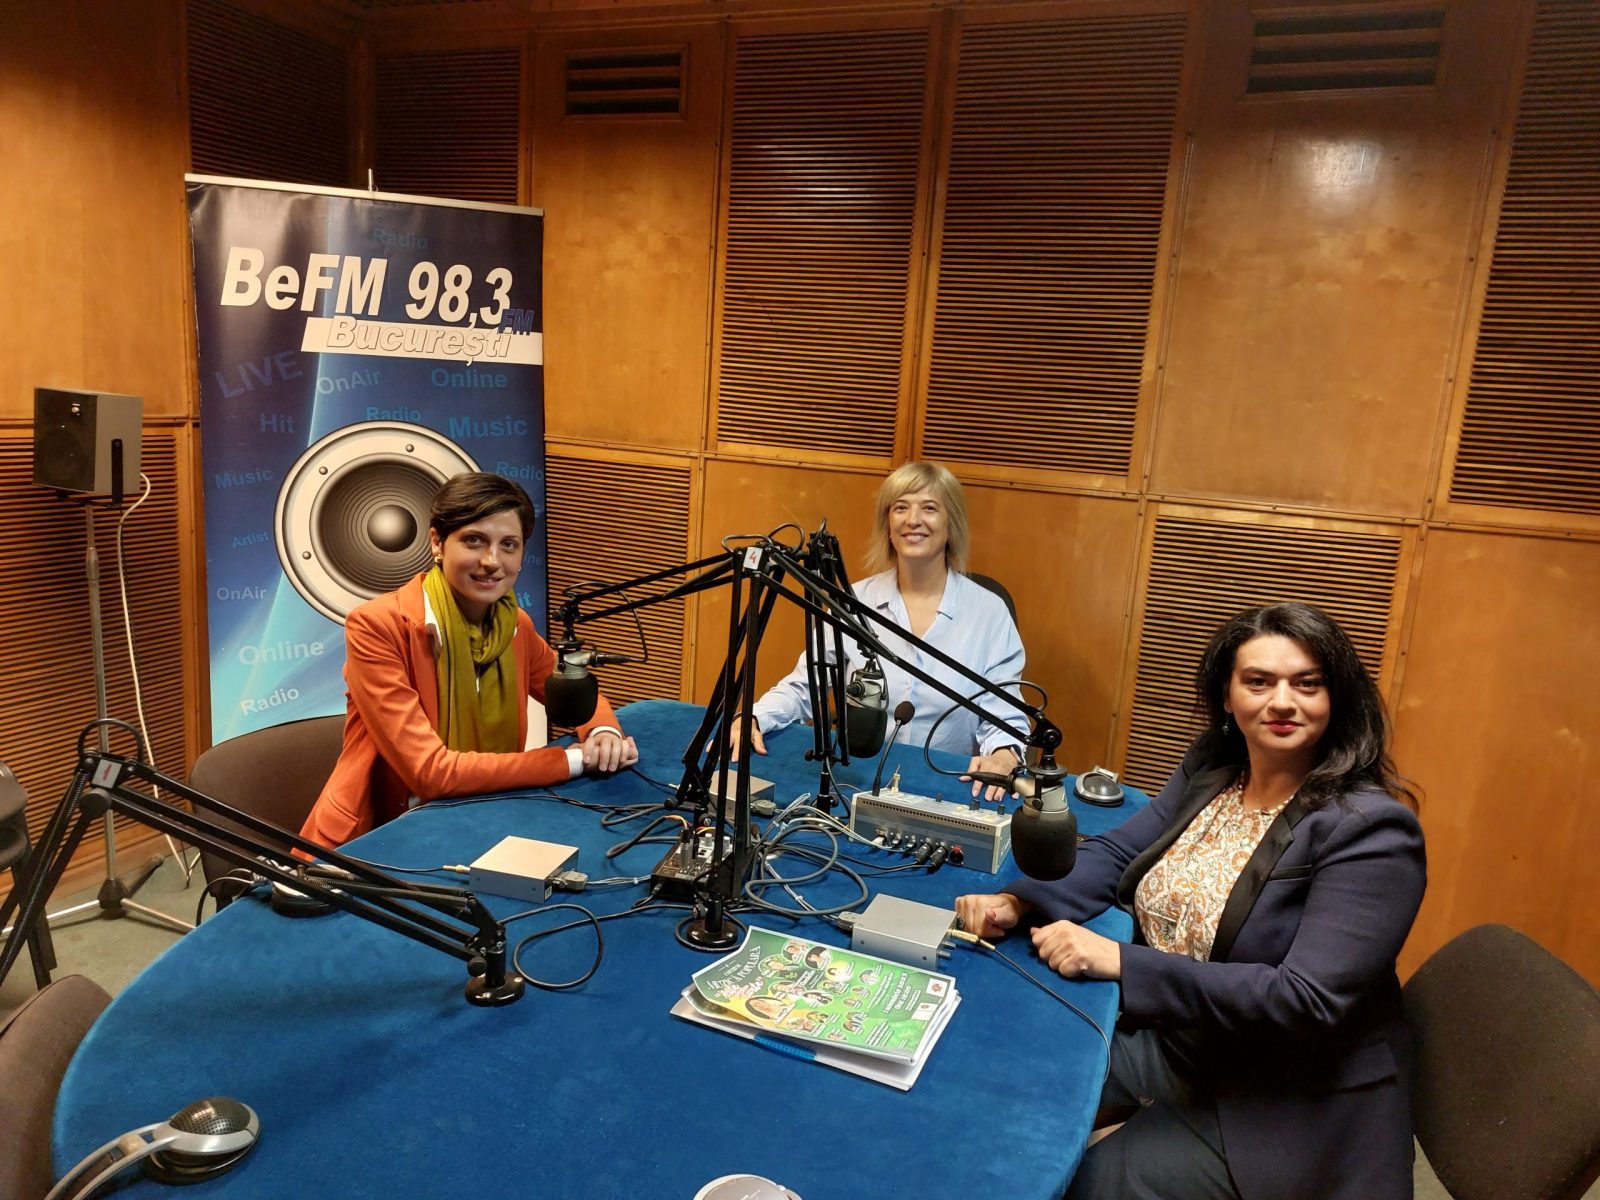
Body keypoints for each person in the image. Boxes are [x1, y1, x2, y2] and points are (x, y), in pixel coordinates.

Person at [956, 602, 1425, 1200]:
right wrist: (1019, 902)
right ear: (1228, 696)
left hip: (1288, 1090)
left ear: (1337, 698)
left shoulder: (1372, 832)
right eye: (1259, 681)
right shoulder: (1216, 767)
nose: (1283, 701)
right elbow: (1121, 851)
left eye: (1307, 684)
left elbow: (1303, 1001)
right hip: (1184, 1038)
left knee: (1092, 1185)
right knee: (1000, 1079)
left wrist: (1118, 960)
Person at [300, 472, 638, 848]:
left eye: (508, 545)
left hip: (487, 814)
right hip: (383, 836)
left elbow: (573, 692)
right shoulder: (377, 626)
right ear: (437, 542)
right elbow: (431, 773)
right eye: (474, 540)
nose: (492, 561)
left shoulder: (513, 625)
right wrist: (571, 761)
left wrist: (603, 732)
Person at [729, 461, 1026, 799]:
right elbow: (805, 686)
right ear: (887, 524)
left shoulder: (989, 613)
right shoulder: (852, 601)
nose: (913, 520)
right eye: (901, 508)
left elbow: (1003, 714)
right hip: (858, 783)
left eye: (929, 508)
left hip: (946, 787)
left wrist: (1004, 754)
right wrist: (755, 717)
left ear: (951, 523)